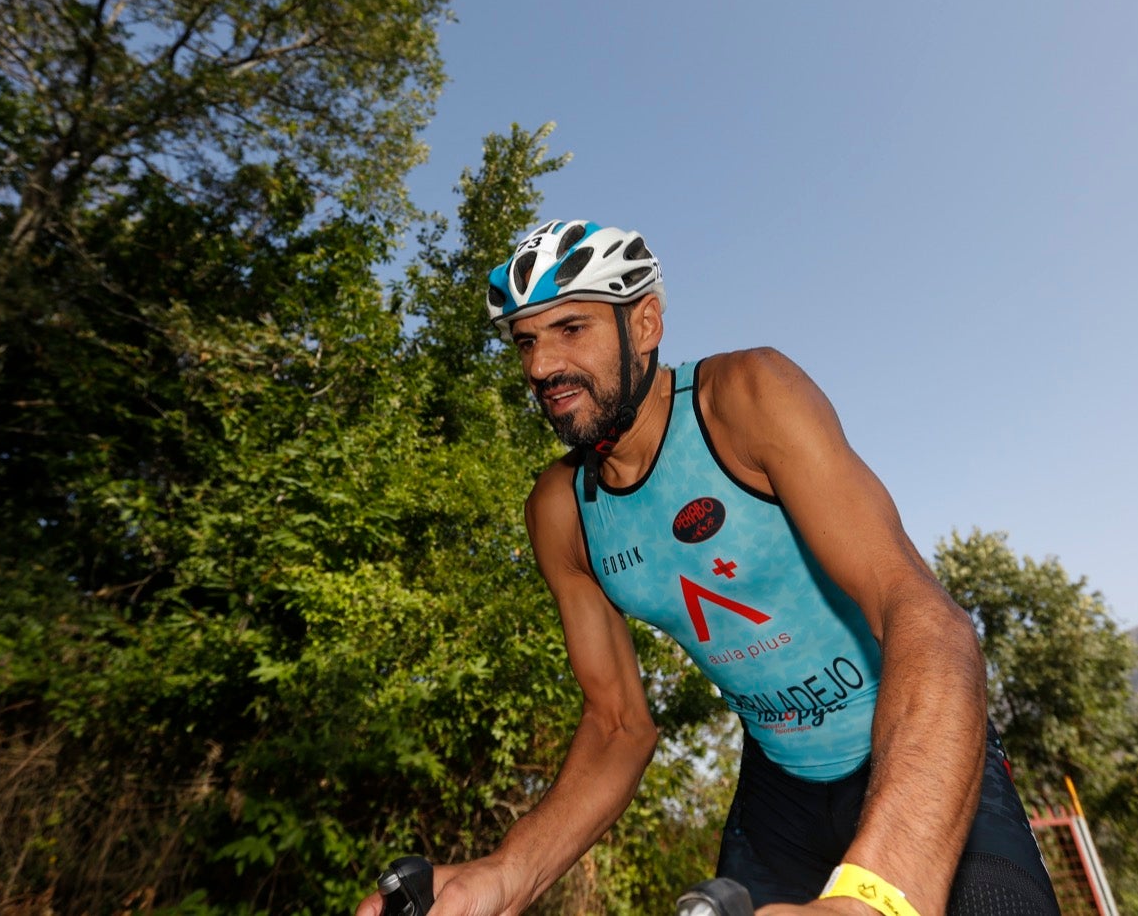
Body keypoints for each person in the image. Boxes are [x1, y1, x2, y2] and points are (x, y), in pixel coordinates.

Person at [357, 220, 1060, 915]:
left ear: (646, 324)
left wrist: (879, 895)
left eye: (571, 329)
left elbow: (924, 613)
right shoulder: (561, 510)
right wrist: (507, 875)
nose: (541, 367)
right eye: (526, 342)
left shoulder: (744, 399)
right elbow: (616, 725)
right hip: (778, 788)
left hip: (911, 748)